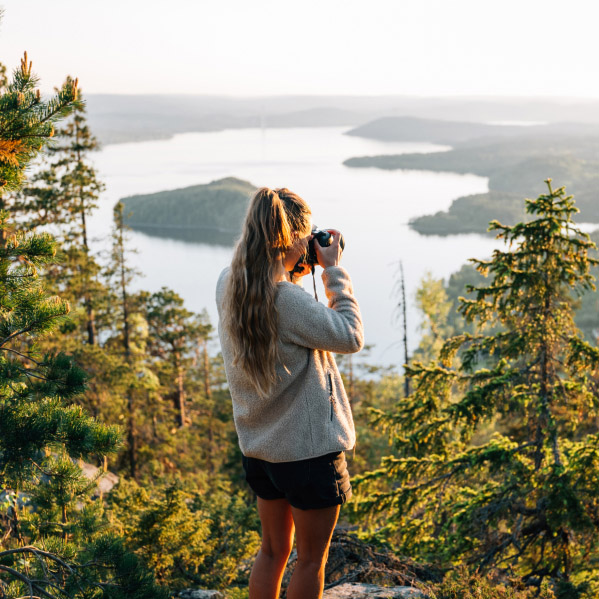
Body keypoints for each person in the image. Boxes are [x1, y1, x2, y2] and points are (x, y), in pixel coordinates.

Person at [215, 187, 363, 599]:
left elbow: (277, 310)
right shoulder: (287, 302)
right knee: (311, 559)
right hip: (310, 455)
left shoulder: (229, 284)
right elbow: (350, 336)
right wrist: (332, 271)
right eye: (307, 237)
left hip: (262, 452)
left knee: (273, 550)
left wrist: (296, 267)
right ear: (293, 239)